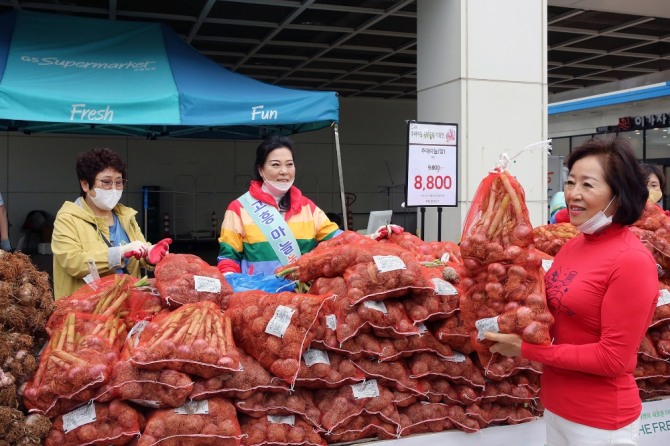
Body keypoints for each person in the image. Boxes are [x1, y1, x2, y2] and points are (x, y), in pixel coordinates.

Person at [485, 136, 658, 446]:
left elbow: (612, 359)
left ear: (619, 195)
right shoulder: (573, 246)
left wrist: (526, 350)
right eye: (571, 182)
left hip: (601, 424)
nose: (573, 195)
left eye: (588, 185)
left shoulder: (632, 261)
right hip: (558, 410)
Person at [51, 148, 171, 299]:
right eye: (106, 182)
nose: (114, 189)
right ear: (85, 185)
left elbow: (139, 250)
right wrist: (119, 252)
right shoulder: (67, 219)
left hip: (128, 304)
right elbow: (74, 263)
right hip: (85, 309)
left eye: (119, 182)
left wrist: (149, 253)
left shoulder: (126, 216)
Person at [217, 135, 341, 276]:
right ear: (261, 170)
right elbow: (228, 259)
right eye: (275, 165)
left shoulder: (307, 207)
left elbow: (339, 240)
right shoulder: (239, 208)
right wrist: (235, 286)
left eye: (289, 164)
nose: (284, 171)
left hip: (302, 294)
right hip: (259, 293)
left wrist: (369, 239)